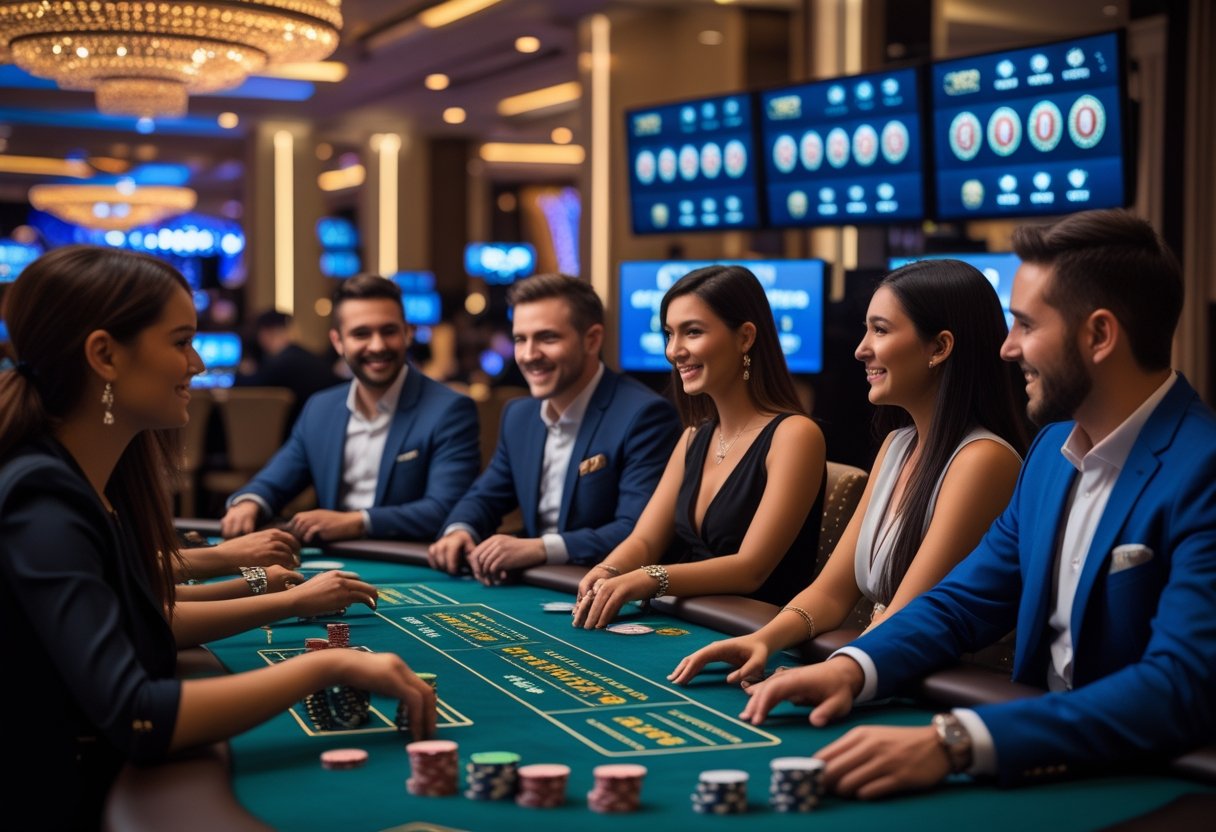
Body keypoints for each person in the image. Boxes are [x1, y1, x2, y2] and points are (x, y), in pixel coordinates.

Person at [738, 209, 1216, 796]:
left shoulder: (1203, 469)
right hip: (1032, 764)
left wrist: (955, 740)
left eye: (1025, 325)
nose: (1008, 348)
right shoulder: (1048, 455)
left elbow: (1177, 687)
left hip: (1146, 782)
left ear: (1099, 335)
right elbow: (961, 603)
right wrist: (851, 668)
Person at [0, 246, 436, 828]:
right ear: (104, 355)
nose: (199, 362)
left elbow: (146, 617)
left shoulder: (95, 483)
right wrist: (326, 667)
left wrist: (275, 597)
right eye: (180, 341)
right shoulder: (42, 503)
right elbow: (137, 714)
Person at [670, 259, 1027, 685]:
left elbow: (909, 612)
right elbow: (830, 592)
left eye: (880, 330)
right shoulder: (897, 446)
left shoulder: (983, 459)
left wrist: (836, 671)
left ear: (939, 347)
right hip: (878, 660)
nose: (861, 348)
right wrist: (763, 641)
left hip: (940, 685)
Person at [572, 264, 828, 629]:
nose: (675, 350)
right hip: (688, 621)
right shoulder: (694, 435)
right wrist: (607, 569)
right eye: (669, 334)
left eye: (692, 332)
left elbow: (750, 569)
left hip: (755, 636)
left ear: (745, 337)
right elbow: (645, 539)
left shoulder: (795, 435)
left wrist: (648, 579)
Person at [428, 274, 681, 583]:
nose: (530, 355)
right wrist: (460, 529)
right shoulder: (519, 414)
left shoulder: (644, 415)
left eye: (547, 338)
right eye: (521, 339)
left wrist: (541, 548)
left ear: (592, 339)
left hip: (605, 587)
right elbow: (485, 497)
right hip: (538, 585)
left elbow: (635, 530)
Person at [220, 275, 480, 543]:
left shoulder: (450, 410)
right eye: (361, 334)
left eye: (388, 331)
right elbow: (273, 481)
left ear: (408, 333)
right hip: (334, 563)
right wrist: (249, 504)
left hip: (409, 561)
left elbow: (445, 509)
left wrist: (355, 522)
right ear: (338, 342)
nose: (377, 345)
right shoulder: (321, 408)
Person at [236, 309, 340, 430]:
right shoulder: (302, 356)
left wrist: (242, 372)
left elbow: (249, 388)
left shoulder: (282, 362)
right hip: (326, 425)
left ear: (265, 334)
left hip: (303, 431)